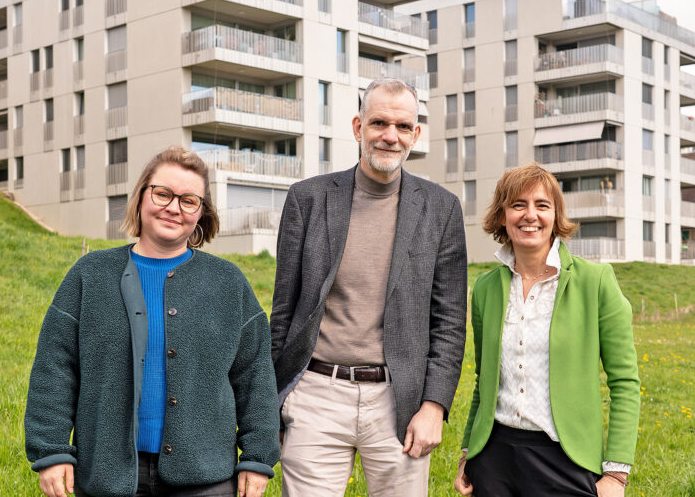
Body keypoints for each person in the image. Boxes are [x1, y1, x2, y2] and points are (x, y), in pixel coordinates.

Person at [25, 146, 279, 497]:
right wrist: (51, 450)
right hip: (106, 477)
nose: (174, 208)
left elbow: (255, 376)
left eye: (189, 201)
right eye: (163, 194)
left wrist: (257, 456)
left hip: (205, 479)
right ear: (142, 196)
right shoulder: (90, 275)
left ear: (201, 212)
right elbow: (55, 368)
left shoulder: (228, 283)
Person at [270, 78, 468, 496]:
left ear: (415, 134)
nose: (390, 136)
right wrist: (275, 399)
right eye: (379, 123)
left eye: (402, 126)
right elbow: (283, 311)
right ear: (358, 127)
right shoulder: (308, 198)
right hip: (316, 393)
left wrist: (434, 406)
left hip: (400, 400)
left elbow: (449, 321)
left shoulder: (442, 208)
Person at [454, 164, 640, 497]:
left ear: (556, 216)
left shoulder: (596, 282)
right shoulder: (485, 288)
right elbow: (485, 382)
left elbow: (625, 382)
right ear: (502, 216)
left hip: (566, 460)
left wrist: (616, 474)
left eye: (542, 205)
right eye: (518, 205)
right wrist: (468, 452)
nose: (530, 215)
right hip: (493, 459)